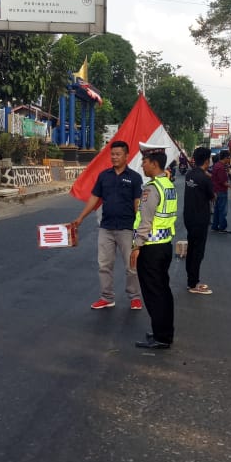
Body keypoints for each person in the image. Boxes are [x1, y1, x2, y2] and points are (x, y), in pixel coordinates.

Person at [71, 140, 143, 310]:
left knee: (131, 265)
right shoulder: (104, 176)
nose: (114, 157)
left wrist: (139, 228)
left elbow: (137, 203)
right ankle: (107, 297)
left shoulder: (134, 177)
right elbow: (94, 198)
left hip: (127, 228)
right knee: (104, 265)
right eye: (112, 154)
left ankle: (134, 296)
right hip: (106, 228)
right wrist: (80, 218)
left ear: (126, 156)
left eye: (118, 154)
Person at [130, 146, 177, 349]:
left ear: (154, 163)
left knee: (154, 293)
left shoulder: (151, 188)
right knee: (163, 291)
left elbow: (145, 221)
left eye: (144, 161)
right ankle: (163, 332)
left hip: (151, 248)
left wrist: (136, 246)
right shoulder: (167, 184)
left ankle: (161, 337)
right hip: (165, 246)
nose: (142, 164)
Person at [183, 146, 215, 295]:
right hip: (200, 219)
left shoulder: (189, 175)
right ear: (207, 161)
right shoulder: (205, 178)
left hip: (188, 217)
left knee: (192, 249)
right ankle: (193, 283)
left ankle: (192, 280)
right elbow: (212, 196)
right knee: (198, 252)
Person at [210, 150, 231, 234]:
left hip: (216, 190)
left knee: (217, 210)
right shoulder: (221, 167)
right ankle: (222, 227)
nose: (229, 159)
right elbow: (223, 182)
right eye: (228, 158)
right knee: (223, 210)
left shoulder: (216, 165)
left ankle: (215, 226)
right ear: (225, 158)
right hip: (221, 191)